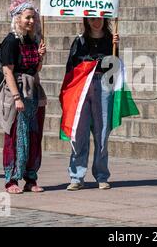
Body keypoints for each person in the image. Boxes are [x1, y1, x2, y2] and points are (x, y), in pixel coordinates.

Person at [0, 0, 47, 194]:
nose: (31, 21)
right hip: (16, 91)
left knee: (34, 135)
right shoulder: (11, 41)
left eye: (33, 17)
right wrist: (17, 98)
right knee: (15, 136)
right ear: (17, 19)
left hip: (33, 91)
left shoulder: (33, 40)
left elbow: (36, 68)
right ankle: (11, 180)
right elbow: (8, 72)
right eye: (27, 18)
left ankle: (31, 178)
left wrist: (40, 56)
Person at [64, 17, 119, 191]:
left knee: (102, 132)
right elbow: (71, 67)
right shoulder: (79, 41)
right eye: (92, 18)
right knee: (79, 132)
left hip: (103, 85)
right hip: (82, 86)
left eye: (100, 18)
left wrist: (115, 48)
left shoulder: (112, 40)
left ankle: (102, 175)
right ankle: (77, 176)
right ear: (86, 21)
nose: (96, 22)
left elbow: (115, 66)